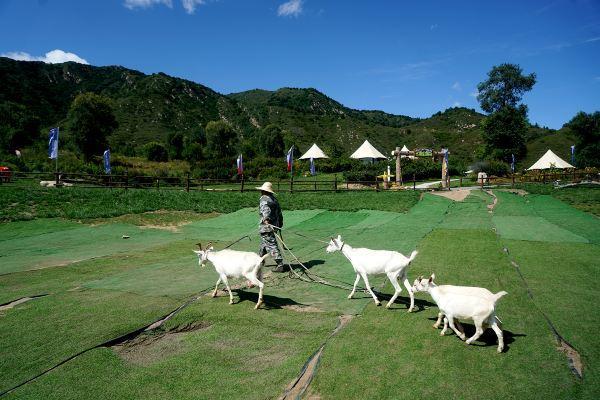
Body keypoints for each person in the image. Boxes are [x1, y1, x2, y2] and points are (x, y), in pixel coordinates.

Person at [256, 182, 286, 272]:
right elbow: (279, 213)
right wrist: (279, 223)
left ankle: (280, 264)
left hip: (267, 226)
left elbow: (266, 210)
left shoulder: (264, 199)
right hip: (274, 225)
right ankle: (260, 260)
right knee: (264, 243)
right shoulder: (274, 199)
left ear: (263, 191)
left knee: (271, 245)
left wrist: (266, 219)